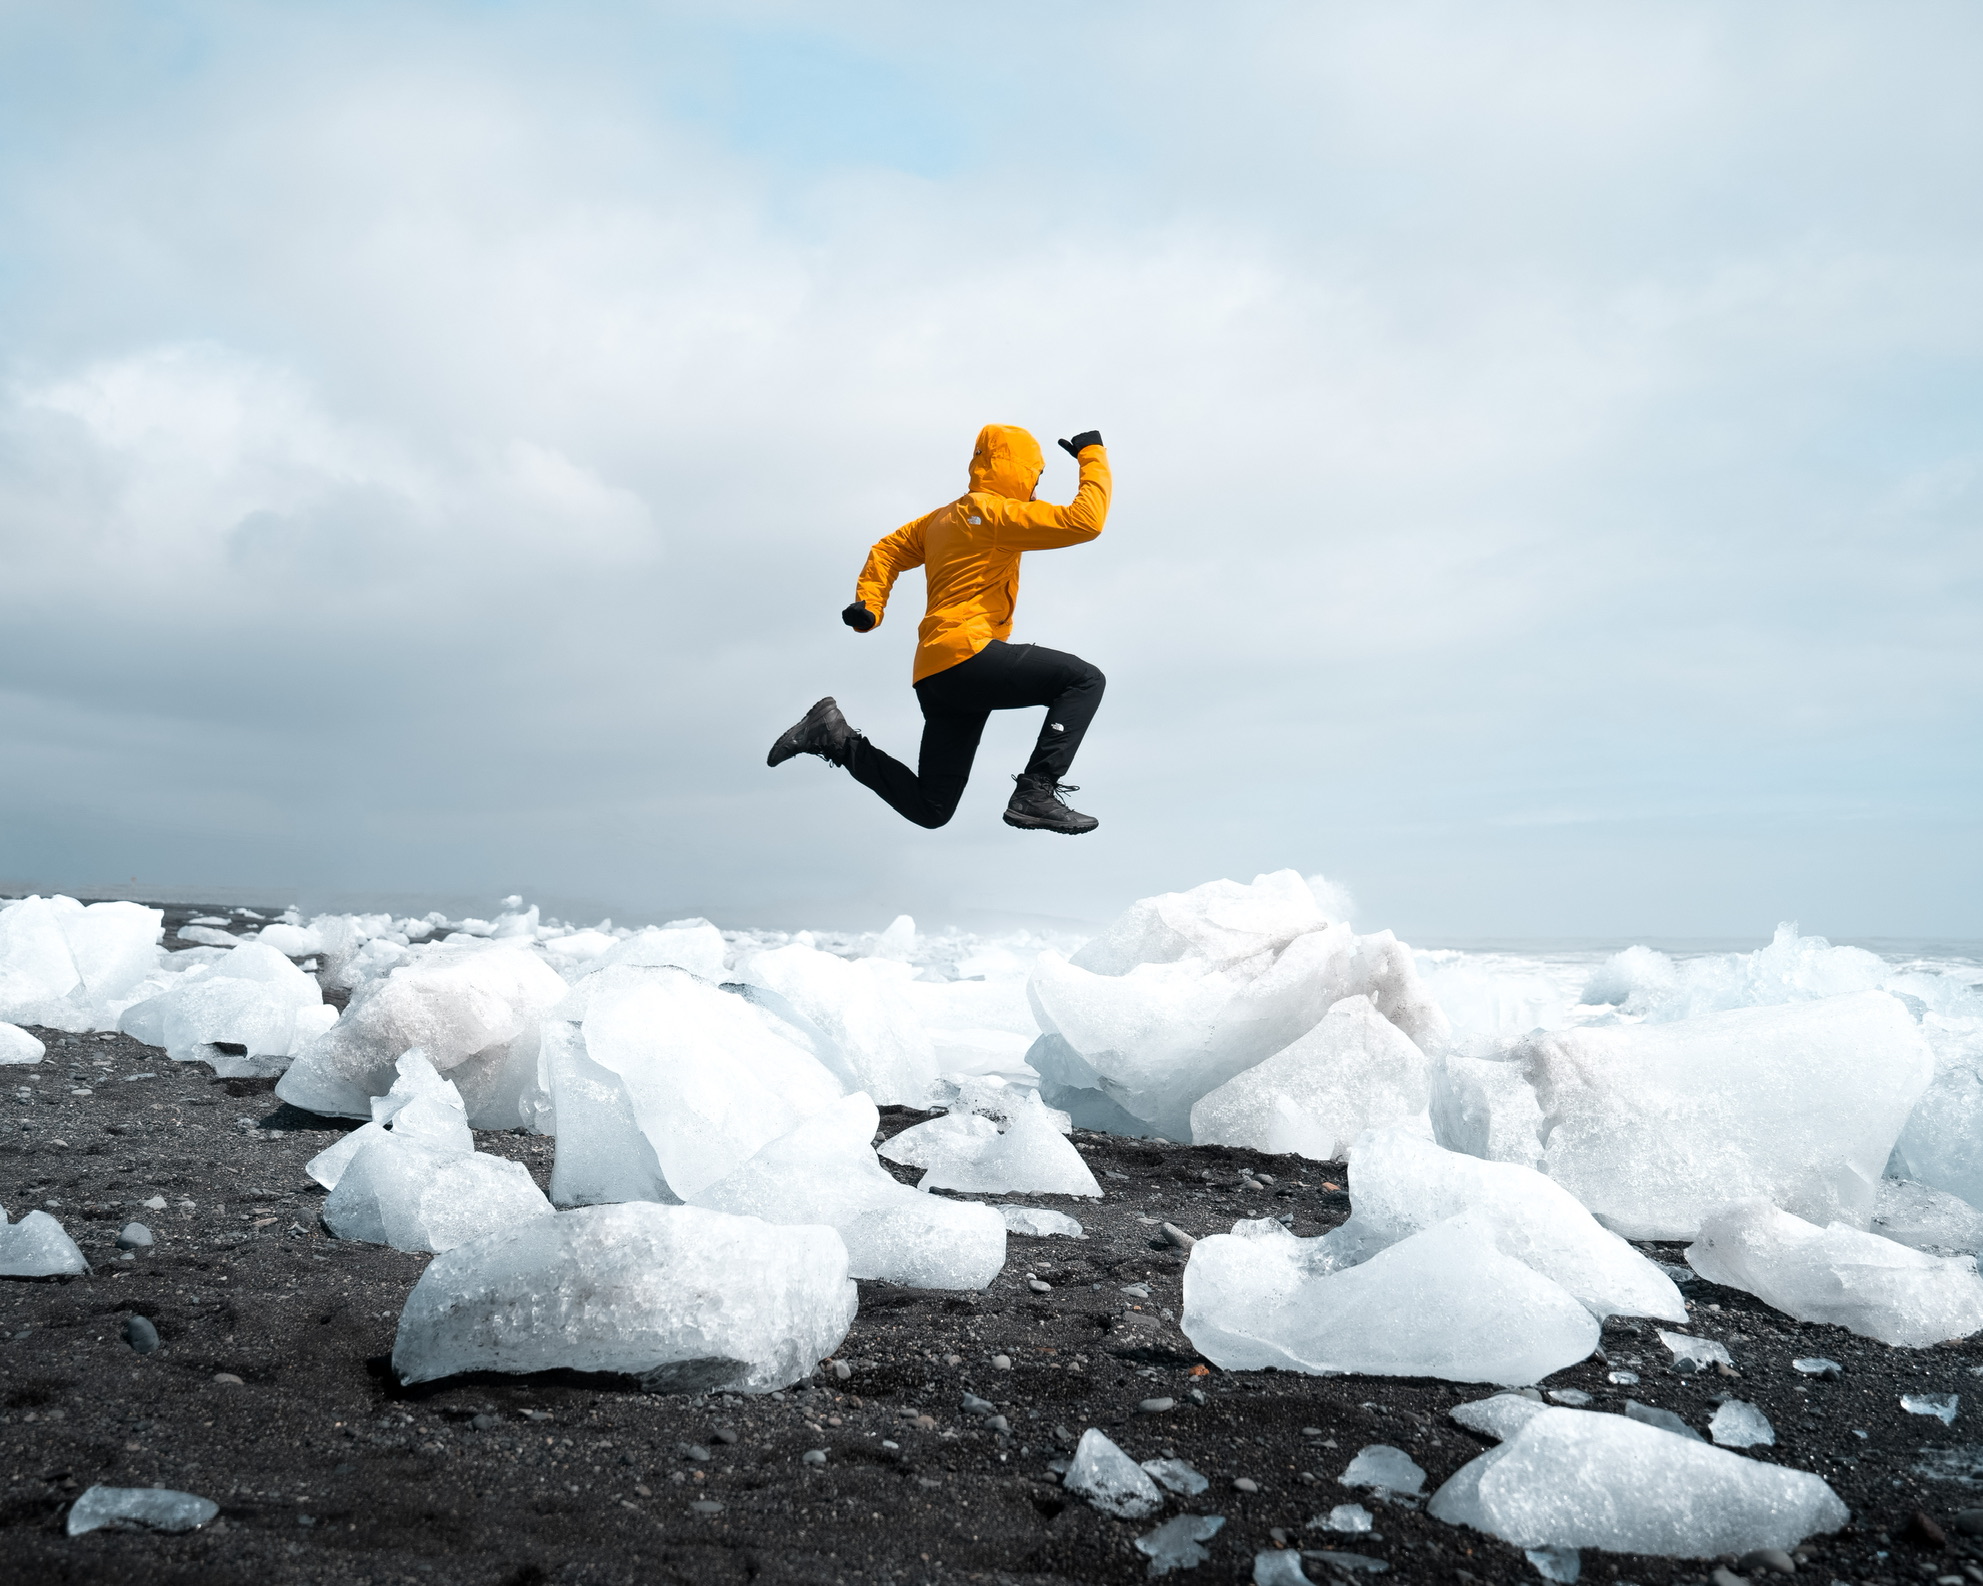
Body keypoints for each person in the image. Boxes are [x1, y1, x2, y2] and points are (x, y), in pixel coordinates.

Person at [768, 423, 1112, 835]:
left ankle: (834, 737)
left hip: (936, 675)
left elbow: (888, 549)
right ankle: (1036, 791)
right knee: (1084, 680)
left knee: (932, 807)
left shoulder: (942, 519)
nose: (1037, 490)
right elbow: (1086, 521)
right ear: (1019, 470)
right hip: (968, 656)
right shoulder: (996, 513)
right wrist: (1092, 456)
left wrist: (870, 603)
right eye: (1036, 478)